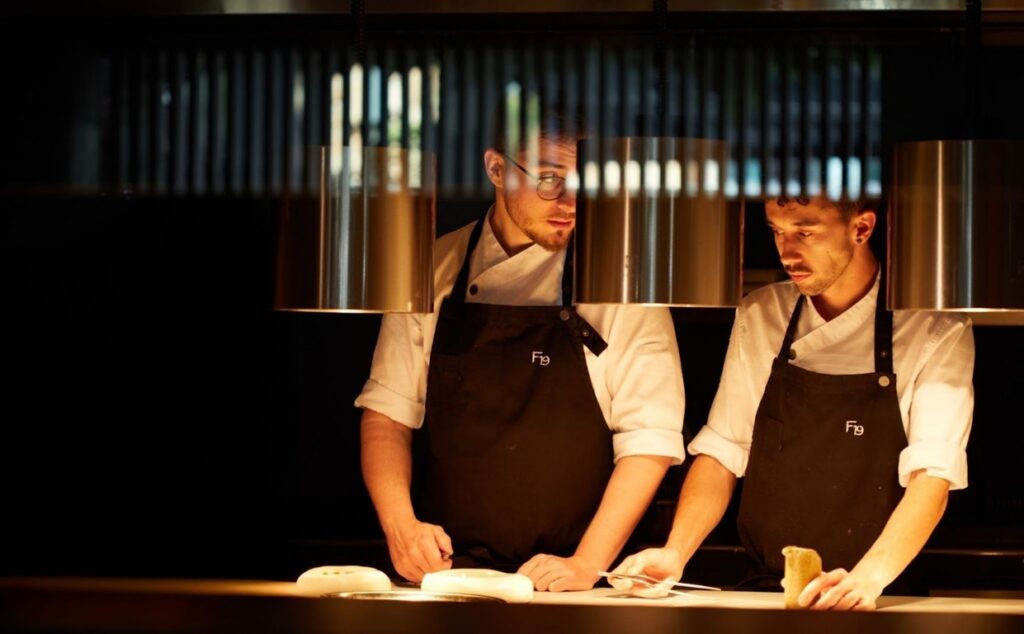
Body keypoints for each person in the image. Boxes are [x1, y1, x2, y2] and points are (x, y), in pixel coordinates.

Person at [355, 107, 685, 592]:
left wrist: (585, 563)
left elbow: (649, 440)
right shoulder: (433, 269)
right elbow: (386, 414)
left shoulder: (622, 279)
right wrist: (402, 528)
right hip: (450, 576)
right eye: (550, 180)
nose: (570, 203)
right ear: (496, 168)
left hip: (577, 577)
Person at [613, 195, 974, 610]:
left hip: (879, 593)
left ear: (862, 228)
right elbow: (723, 450)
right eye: (777, 232)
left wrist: (868, 578)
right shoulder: (763, 313)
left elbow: (933, 476)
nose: (787, 252)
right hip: (769, 590)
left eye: (804, 232)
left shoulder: (934, 328)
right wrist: (675, 552)